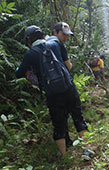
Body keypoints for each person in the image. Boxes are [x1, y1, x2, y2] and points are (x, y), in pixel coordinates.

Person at [16, 24, 91, 158]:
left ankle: (65, 157)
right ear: (42, 35)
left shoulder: (30, 54)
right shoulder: (55, 43)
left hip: (52, 93)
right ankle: (87, 151)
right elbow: (68, 66)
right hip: (68, 87)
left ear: (28, 40)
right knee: (78, 117)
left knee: (58, 124)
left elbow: (19, 74)